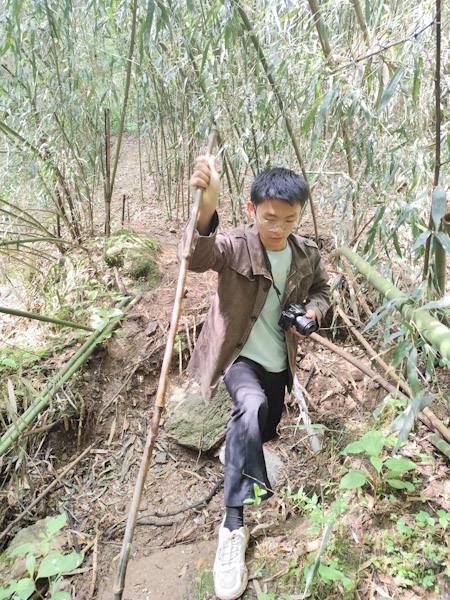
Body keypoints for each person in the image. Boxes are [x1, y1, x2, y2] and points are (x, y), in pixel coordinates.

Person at [179, 155, 330, 600]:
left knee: (263, 428)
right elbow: (198, 255)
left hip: (279, 364)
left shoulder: (306, 253)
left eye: (289, 218)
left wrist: (311, 314)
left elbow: (321, 291)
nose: (279, 227)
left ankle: (238, 449)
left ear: (299, 215)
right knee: (250, 405)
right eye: (269, 217)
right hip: (239, 357)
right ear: (251, 210)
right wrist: (206, 209)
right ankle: (232, 527)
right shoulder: (237, 245)